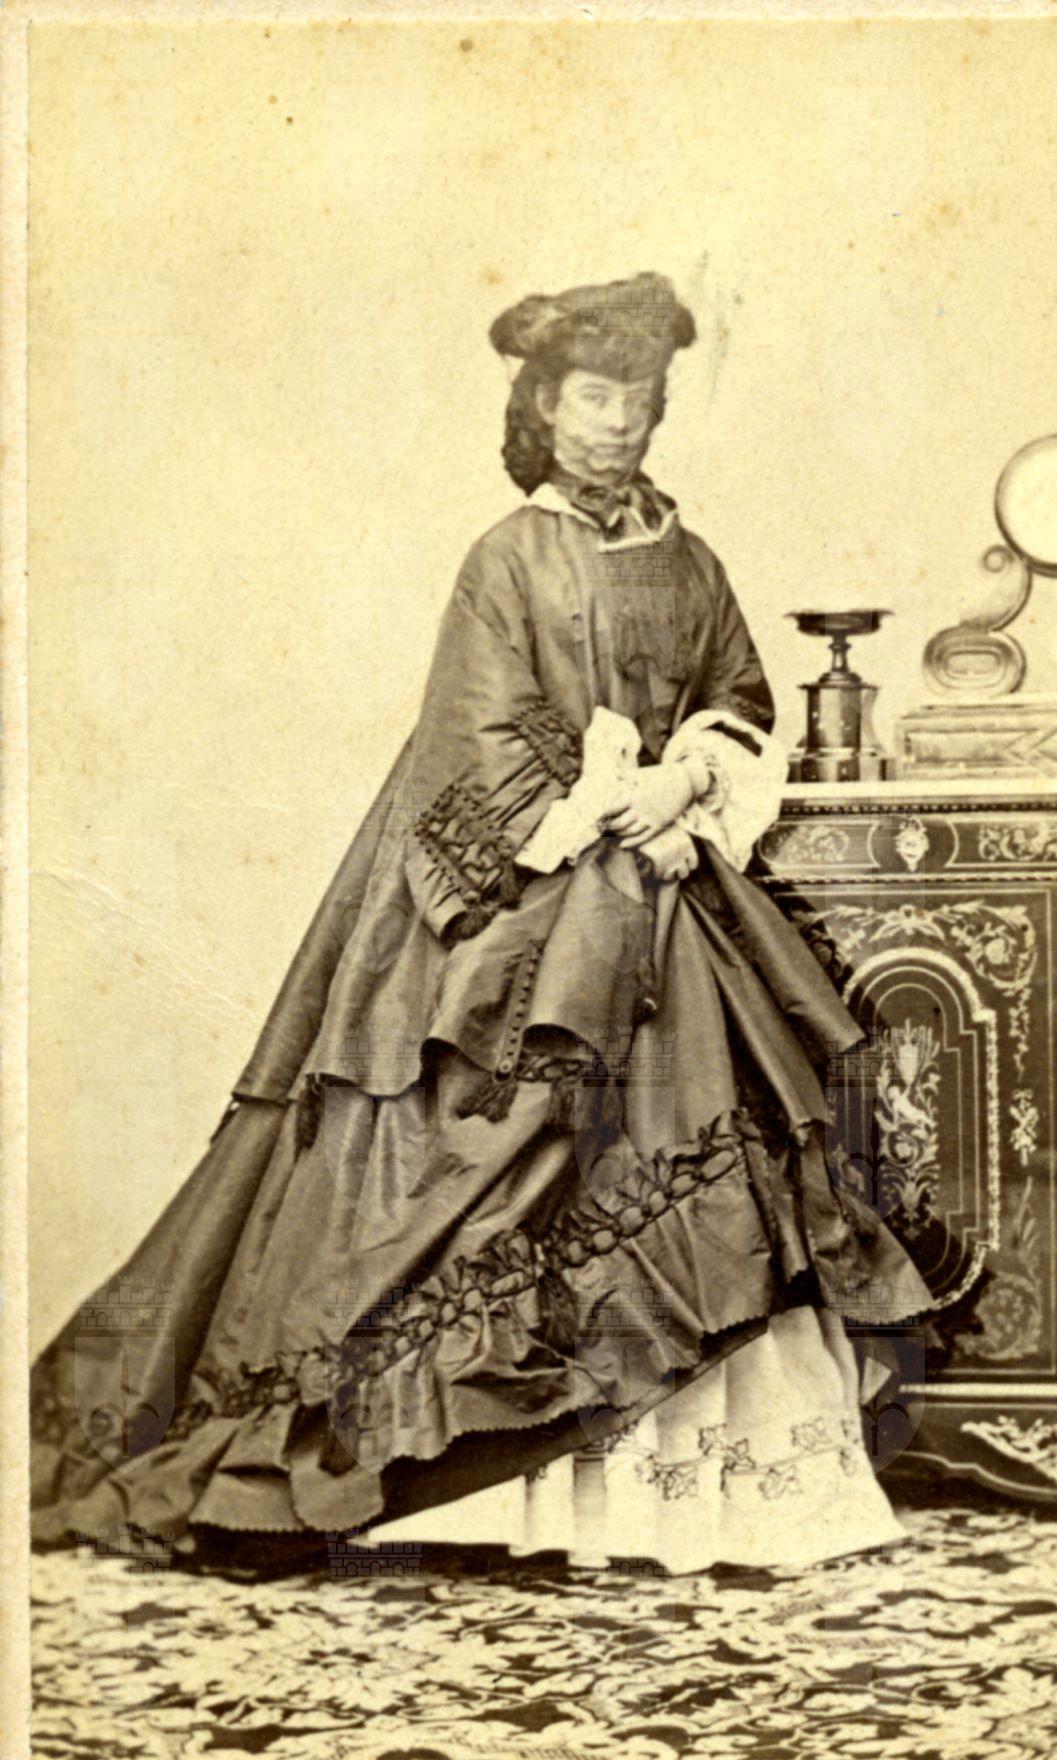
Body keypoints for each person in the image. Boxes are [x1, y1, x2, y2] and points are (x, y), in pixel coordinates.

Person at [31, 273, 941, 1577]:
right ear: (542, 408)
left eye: (636, 396)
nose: (615, 420)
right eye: (591, 395)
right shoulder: (506, 556)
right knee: (485, 1144)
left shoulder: (691, 558)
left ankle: (694, 1498)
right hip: (529, 895)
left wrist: (685, 778)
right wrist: (605, 805)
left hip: (667, 881)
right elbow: (479, 740)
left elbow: (737, 697)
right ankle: (457, 1492)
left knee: (710, 1126)